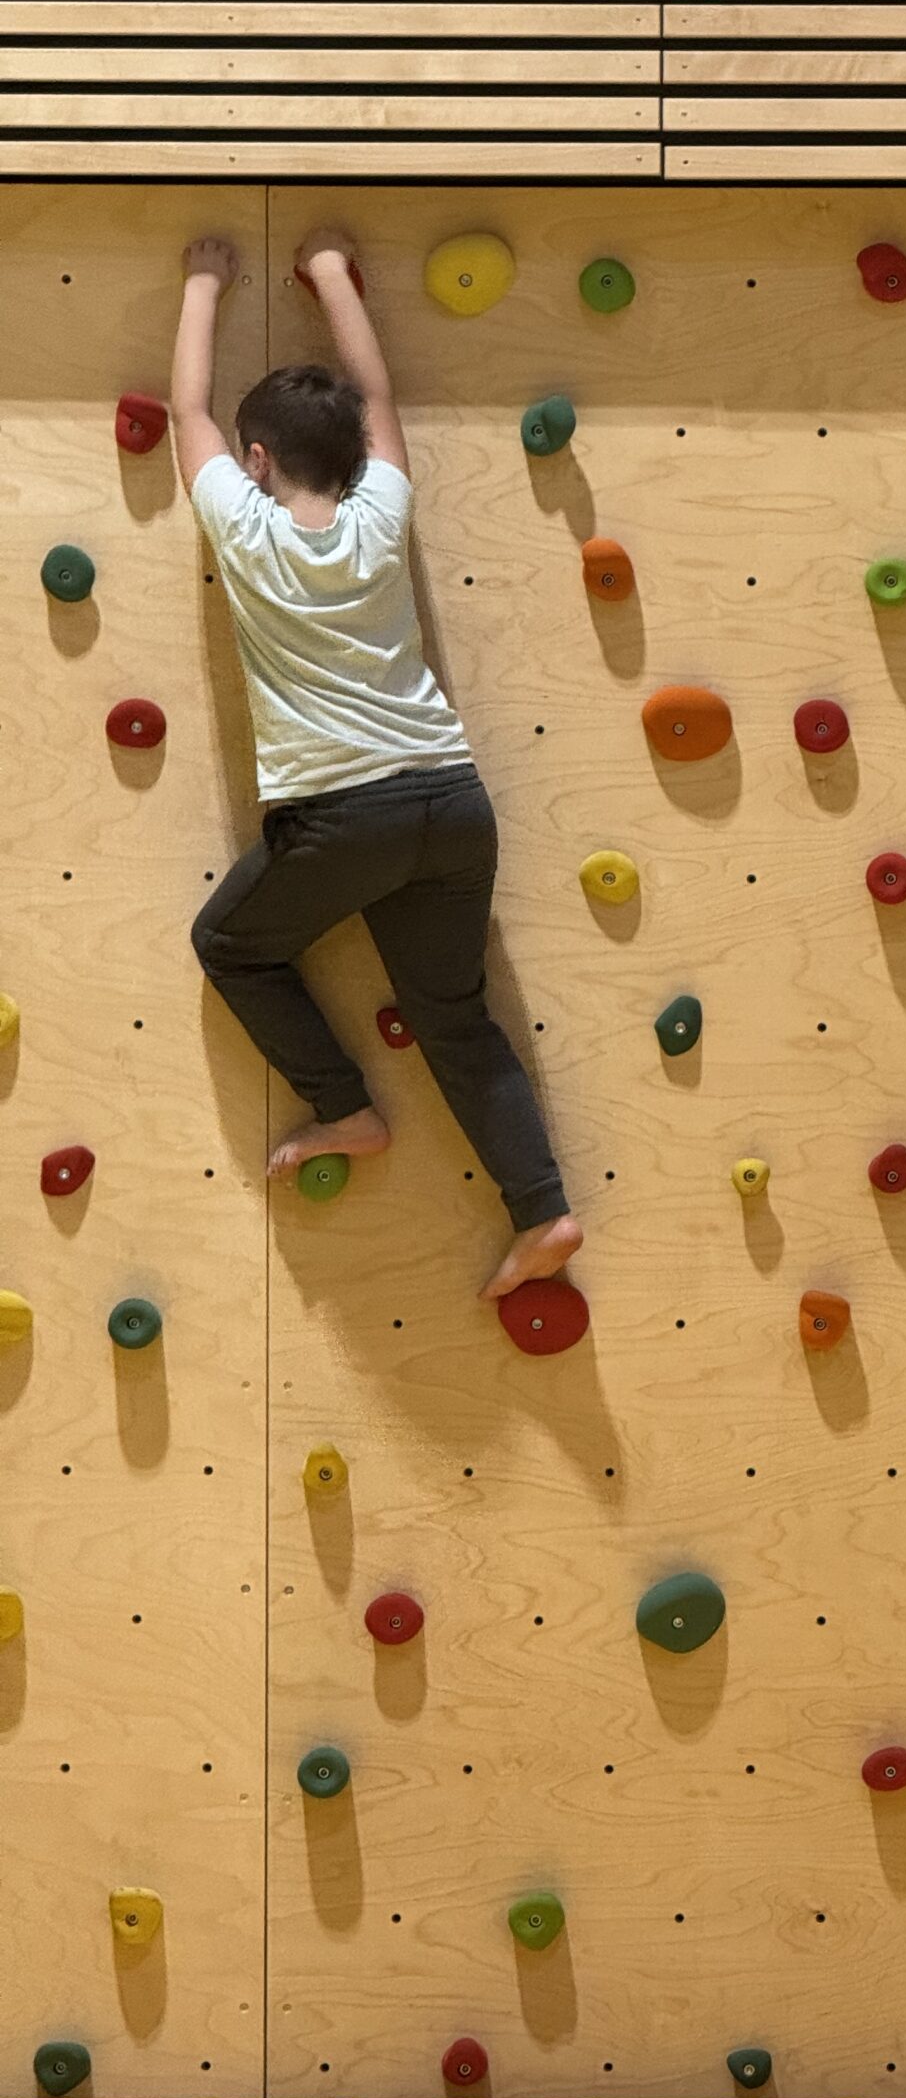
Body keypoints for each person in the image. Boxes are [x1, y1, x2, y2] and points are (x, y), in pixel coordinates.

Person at [171, 230, 581, 1302]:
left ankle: (345, 1105)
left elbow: (187, 416)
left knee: (230, 943)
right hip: (452, 800)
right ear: (357, 455)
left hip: (343, 819)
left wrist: (204, 280)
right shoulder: (382, 513)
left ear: (257, 465)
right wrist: (336, 277)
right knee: (453, 1016)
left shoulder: (246, 532)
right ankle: (542, 1208)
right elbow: (376, 391)